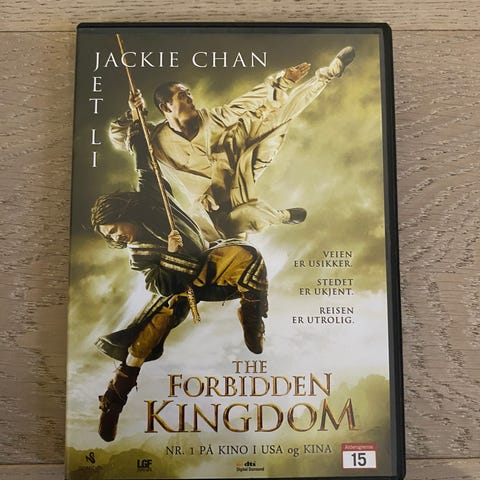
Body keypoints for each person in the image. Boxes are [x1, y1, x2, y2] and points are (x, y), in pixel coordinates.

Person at [91, 130, 268, 442]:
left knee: (249, 256)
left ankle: (252, 316)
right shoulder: (138, 253)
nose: (117, 238)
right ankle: (114, 398)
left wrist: (138, 130)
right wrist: (172, 255)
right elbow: (160, 284)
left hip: (207, 266)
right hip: (176, 289)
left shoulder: (152, 199)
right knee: (144, 340)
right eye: (110, 237)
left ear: (123, 213)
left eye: (115, 229)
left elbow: (146, 166)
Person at [110, 47, 355, 238]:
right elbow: (120, 137)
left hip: (239, 172)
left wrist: (284, 81)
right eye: (183, 96)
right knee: (246, 219)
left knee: (278, 117)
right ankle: (282, 216)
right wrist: (133, 114)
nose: (190, 99)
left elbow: (245, 102)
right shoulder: (155, 139)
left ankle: (328, 74)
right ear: (166, 108)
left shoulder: (212, 118)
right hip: (210, 211)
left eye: (189, 94)